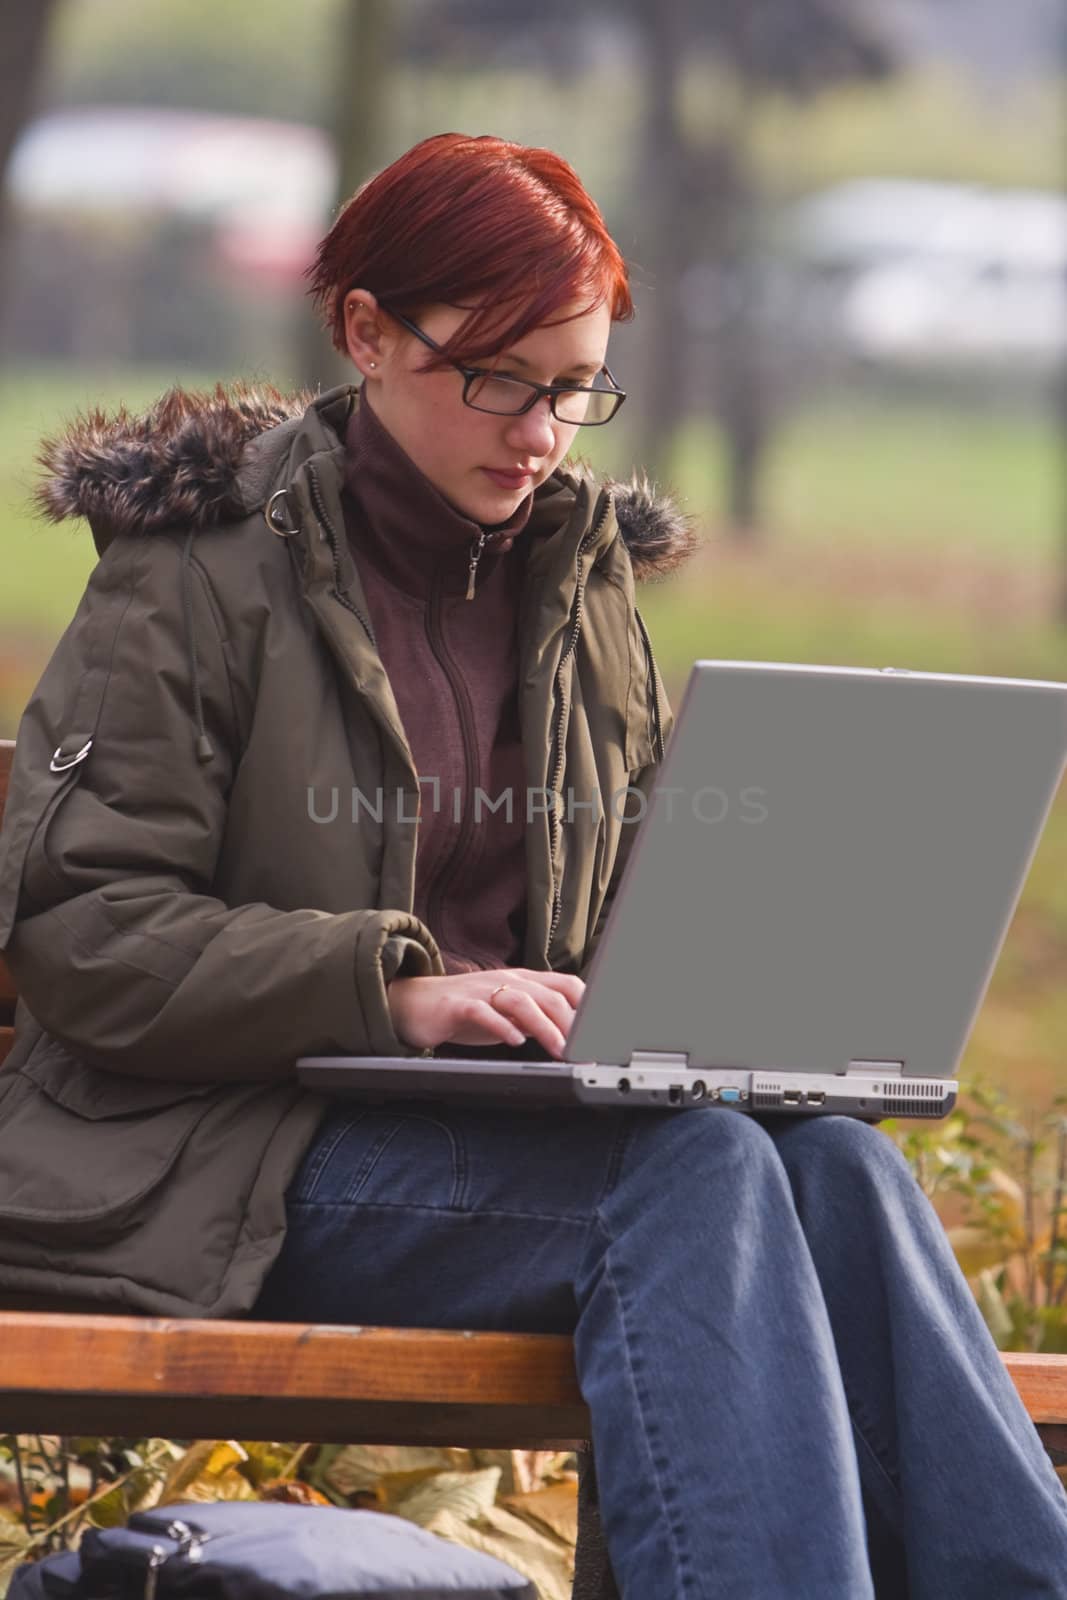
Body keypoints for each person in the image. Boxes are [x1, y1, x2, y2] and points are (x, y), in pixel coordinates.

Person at [0, 131, 1064, 1599]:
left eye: (575, 386)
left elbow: (628, 899)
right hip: (229, 1154)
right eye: (499, 376)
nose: (544, 428)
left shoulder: (582, 586)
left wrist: (745, 993)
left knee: (833, 1167)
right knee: (690, 1182)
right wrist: (395, 989)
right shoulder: (195, 574)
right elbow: (82, 931)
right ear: (365, 331)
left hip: (513, 1136)